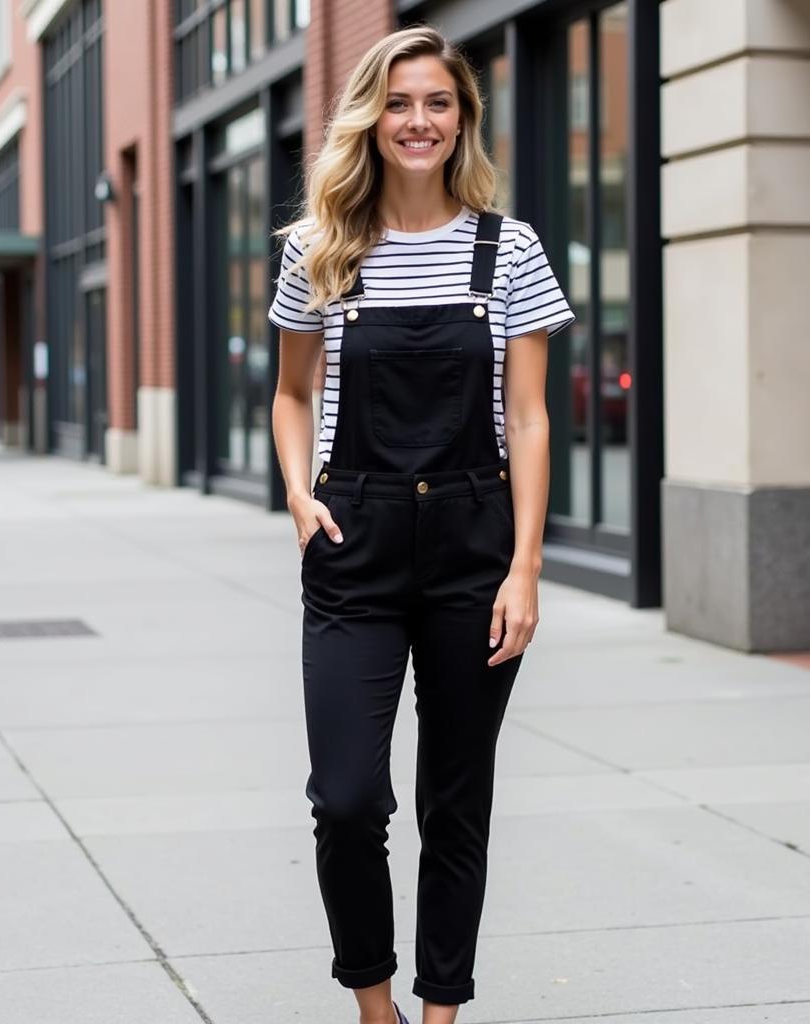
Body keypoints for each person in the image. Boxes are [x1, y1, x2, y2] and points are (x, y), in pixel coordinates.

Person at [269, 25, 574, 1024]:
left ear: (462, 119)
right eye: (399, 102)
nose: (417, 121)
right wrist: (300, 493)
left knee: (456, 801)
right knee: (347, 799)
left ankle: (439, 1010)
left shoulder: (510, 247)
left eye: (437, 103)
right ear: (371, 114)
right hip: (353, 541)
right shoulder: (319, 248)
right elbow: (289, 393)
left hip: (473, 547)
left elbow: (528, 417)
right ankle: (374, 1004)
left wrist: (524, 568)